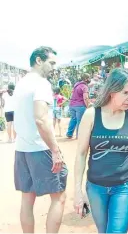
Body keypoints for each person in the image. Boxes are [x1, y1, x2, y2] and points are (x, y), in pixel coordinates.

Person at [73, 69, 128, 233]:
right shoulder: (91, 115)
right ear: (112, 91)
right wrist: (78, 190)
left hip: (125, 186)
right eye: (125, 92)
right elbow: (81, 153)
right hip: (96, 187)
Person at [13, 46, 67, 233]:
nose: (53, 68)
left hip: (22, 149)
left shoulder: (21, 83)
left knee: (27, 199)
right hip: (40, 147)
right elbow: (41, 118)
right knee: (59, 197)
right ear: (38, 60)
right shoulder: (41, 84)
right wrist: (54, 149)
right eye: (51, 63)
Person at [66, 73, 91, 139]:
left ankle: (69, 134)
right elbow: (85, 98)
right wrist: (88, 106)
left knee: (73, 119)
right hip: (80, 106)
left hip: (72, 104)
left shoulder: (76, 85)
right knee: (80, 121)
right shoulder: (84, 87)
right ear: (85, 79)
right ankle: (79, 136)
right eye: (89, 78)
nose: (89, 79)